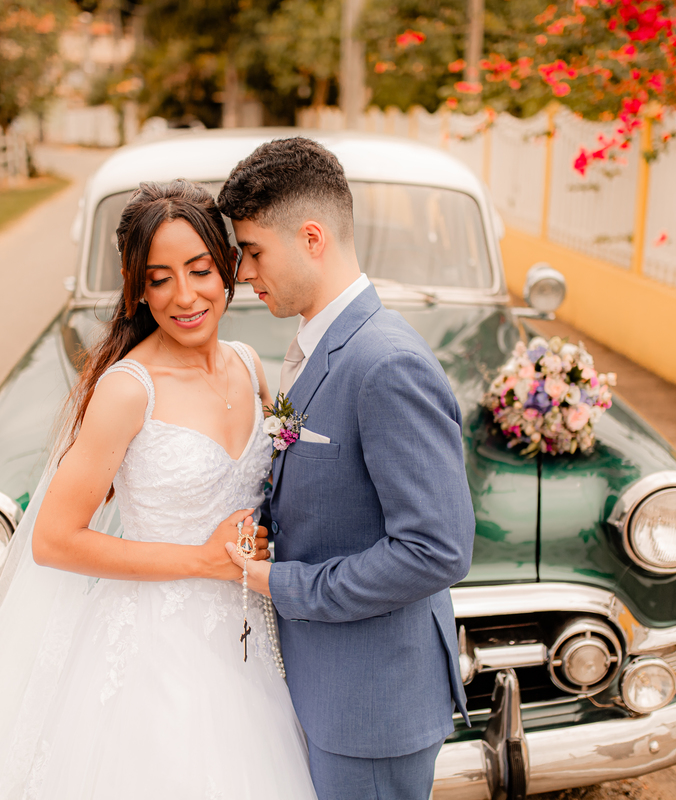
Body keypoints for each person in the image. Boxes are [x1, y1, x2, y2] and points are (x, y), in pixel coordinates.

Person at [0, 180, 317, 800]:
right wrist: (200, 561)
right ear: (138, 289)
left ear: (227, 265)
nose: (185, 296)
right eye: (159, 279)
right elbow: (53, 539)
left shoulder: (247, 364)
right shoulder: (130, 389)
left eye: (200, 270)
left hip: (246, 636)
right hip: (157, 650)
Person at [216, 138, 477, 800]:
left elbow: (436, 549)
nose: (244, 273)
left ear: (311, 238)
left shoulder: (386, 362)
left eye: (252, 251)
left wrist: (285, 583)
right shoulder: (318, 343)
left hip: (371, 706)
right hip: (325, 687)